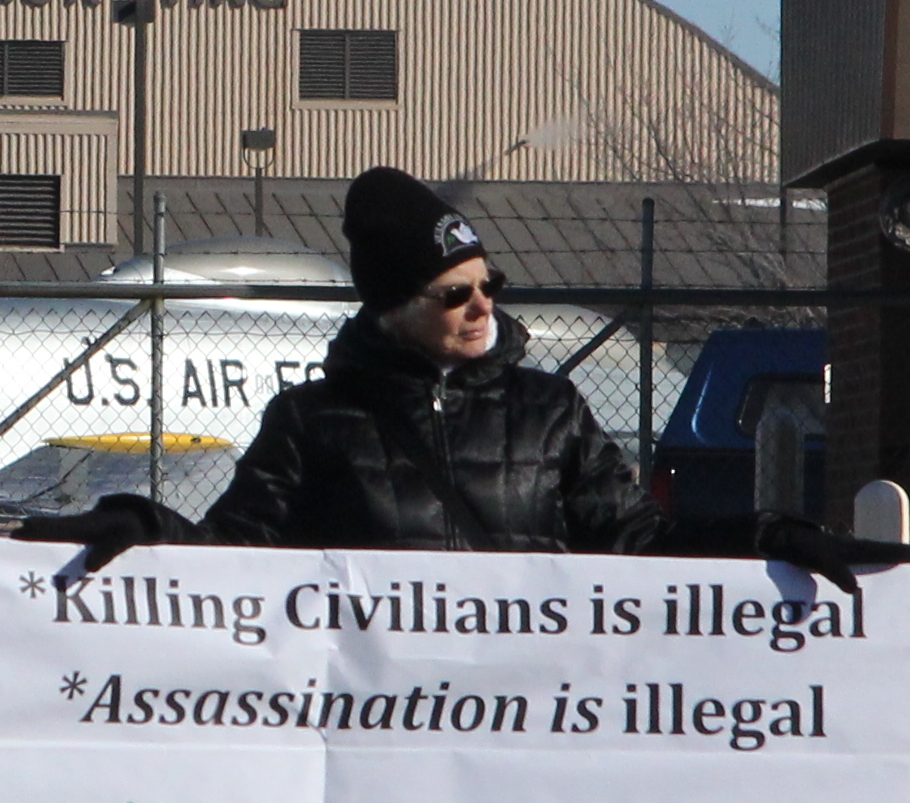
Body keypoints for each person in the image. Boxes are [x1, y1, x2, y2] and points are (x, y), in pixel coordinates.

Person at [120, 167, 660, 557]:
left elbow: (637, 537)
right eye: (453, 294)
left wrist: (737, 537)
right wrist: (145, 528)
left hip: (520, 700)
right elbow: (234, 551)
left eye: (488, 283)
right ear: (395, 307)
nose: (482, 305)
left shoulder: (549, 410)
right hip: (378, 706)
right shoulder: (312, 420)